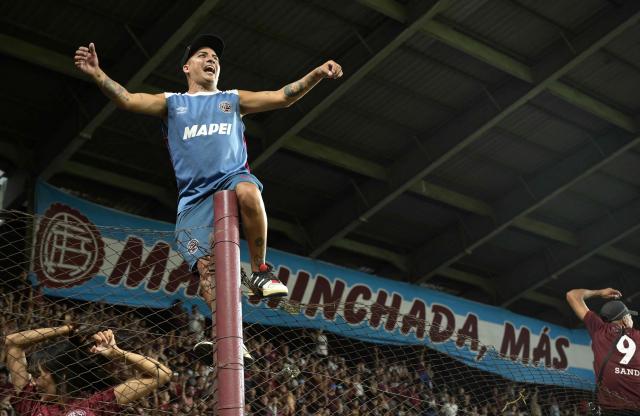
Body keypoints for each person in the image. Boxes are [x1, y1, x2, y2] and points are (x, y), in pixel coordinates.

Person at [74, 34, 343, 363]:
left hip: (231, 178)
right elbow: (128, 100)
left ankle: (259, 269)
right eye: (202, 55)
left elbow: (281, 97)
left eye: (215, 56)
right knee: (207, 269)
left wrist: (316, 73)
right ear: (187, 67)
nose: (211, 59)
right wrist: (97, 73)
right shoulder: (172, 103)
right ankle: (228, 335)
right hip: (194, 198)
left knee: (249, 190)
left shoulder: (232, 99)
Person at [4, 324, 172, 415]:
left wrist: (118, 353)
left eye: (39, 375)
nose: (33, 381)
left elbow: (162, 375)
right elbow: (12, 342)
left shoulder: (96, 403)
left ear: (61, 376)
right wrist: (66, 329)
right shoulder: (30, 403)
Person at [566, 287, 640, 413]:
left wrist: (599, 293)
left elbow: (572, 295)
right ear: (625, 319)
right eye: (630, 316)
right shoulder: (638, 336)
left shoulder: (599, 330)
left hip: (610, 408)